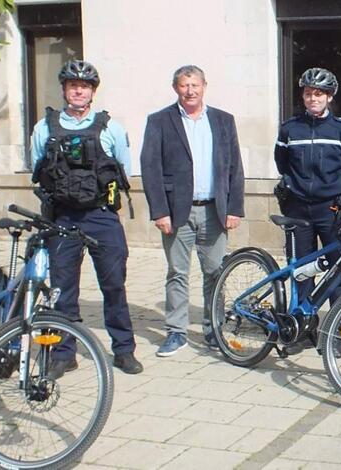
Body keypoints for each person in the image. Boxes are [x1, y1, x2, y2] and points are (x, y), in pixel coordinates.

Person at [30, 59, 142, 377]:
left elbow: (125, 168)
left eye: (85, 86)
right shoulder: (44, 128)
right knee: (62, 288)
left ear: (92, 91)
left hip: (101, 216)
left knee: (114, 285)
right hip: (62, 218)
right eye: (73, 85)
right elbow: (35, 167)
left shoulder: (111, 128)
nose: (78, 90)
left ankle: (123, 350)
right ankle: (64, 353)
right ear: (64, 89)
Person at [141, 65, 245, 357]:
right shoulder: (160, 121)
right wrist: (159, 211)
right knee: (177, 272)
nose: (190, 91)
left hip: (215, 210)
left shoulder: (224, 120)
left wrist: (234, 207)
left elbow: (235, 167)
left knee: (215, 272)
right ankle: (176, 332)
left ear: (204, 86)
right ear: (176, 88)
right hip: (177, 213)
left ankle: (214, 331)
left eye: (195, 85)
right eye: (184, 86)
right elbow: (150, 168)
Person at [274, 67, 341, 353]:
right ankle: (302, 329)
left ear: (329, 96)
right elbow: (282, 162)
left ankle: (339, 333)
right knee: (302, 270)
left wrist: (336, 186)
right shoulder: (290, 128)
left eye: (319, 94)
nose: (313, 98)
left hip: (332, 210)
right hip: (299, 210)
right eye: (308, 93)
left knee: (339, 271)